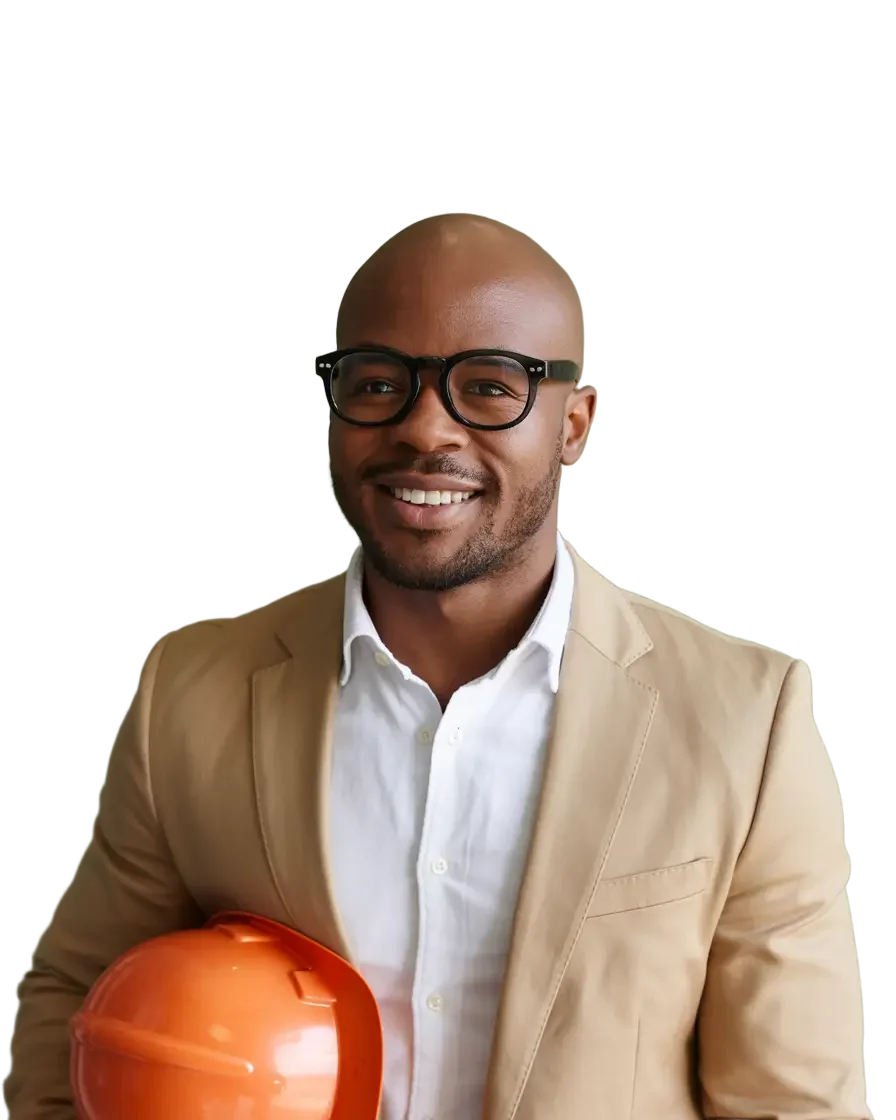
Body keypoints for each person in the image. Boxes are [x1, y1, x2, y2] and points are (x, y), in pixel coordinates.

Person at [6, 214, 870, 1118]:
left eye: (490, 387)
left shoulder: (744, 718)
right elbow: (76, 999)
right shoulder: (193, 689)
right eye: (378, 382)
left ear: (574, 423)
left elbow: (792, 1101)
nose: (424, 429)